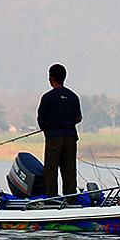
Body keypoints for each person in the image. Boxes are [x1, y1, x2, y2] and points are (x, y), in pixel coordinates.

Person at [37, 63, 82, 198]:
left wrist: (48, 129)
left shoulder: (47, 97)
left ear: (51, 78)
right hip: (70, 137)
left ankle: (51, 199)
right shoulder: (73, 96)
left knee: (51, 170)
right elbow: (78, 118)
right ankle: (70, 199)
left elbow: (41, 120)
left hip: (53, 138)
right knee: (69, 170)